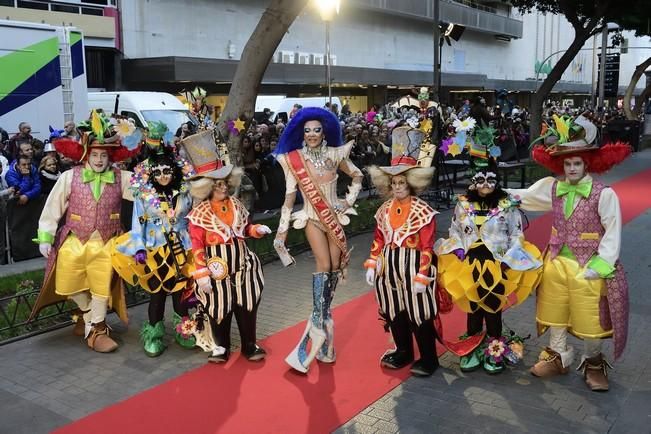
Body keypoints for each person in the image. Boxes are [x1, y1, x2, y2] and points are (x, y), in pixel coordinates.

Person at [506, 114, 631, 391]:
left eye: (577, 163)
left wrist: (602, 264)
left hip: (589, 264)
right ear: (561, 165)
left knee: (591, 315)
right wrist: (490, 192)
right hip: (557, 261)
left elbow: (612, 230)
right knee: (554, 309)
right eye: (567, 163)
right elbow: (522, 197)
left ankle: (593, 361)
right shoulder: (553, 188)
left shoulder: (604, 194)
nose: (572, 168)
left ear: (586, 164)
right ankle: (558, 354)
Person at [30, 111, 139, 353]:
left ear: (110, 156)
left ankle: (96, 330)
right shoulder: (70, 177)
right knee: (66, 282)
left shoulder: (122, 178)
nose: (100, 160)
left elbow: (146, 192)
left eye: (104, 155)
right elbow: (52, 207)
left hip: (107, 242)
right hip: (74, 240)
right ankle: (86, 314)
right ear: (87, 155)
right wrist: (46, 236)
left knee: (102, 282)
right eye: (95, 154)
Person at [435, 147, 542, 373]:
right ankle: (471, 348)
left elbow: (516, 234)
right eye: (480, 179)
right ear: (473, 181)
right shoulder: (463, 203)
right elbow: (454, 229)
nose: (485, 184)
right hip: (470, 263)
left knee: (493, 308)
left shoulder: (506, 205)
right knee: (473, 307)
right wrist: (457, 247)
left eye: (490, 179)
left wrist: (508, 259)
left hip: (496, 263)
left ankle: (495, 349)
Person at [274, 107, 363, 373]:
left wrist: (348, 201)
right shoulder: (293, 159)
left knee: (335, 268)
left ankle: (323, 330)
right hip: (312, 218)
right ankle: (321, 327)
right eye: (307, 130)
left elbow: (357, 174)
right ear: (302, 133)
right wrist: (281, 231)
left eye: (316, 130)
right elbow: (290, 198)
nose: (312, 134)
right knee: (323, 265)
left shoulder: (336, 154)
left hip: (335, 218)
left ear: (324, 132)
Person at [183, 129, 271, 363]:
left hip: (243, 264)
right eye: (217, 184)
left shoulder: (237, 205)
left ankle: (249, 345)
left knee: (247, 303)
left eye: (224, 183)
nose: (222, 187)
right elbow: (196, 244)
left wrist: (256, 230)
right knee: (218, 306)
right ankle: (221, 347)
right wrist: (201, 273)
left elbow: (244, 229)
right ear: (206, 187)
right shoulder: (198, 214)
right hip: (216, 268)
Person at [112, 124, 197, 357]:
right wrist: (139, 248)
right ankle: (155, 335)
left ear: (175, 171)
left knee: (182, 293)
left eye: (167, 171)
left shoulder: (185, 191)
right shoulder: (144, 195)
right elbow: (137, 224)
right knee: (157, 295)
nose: (162, 175)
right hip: (155, 249)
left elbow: (193, 218)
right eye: (157, 172)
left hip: (182, 248)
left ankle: (184, 330)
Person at [364, 125, 440, 377]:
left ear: (412, 183)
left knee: (419, 312)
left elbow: (427, 245)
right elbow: (378, 239)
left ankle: (429, 358)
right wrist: (373, 262)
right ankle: (403, 351)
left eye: (402, 182)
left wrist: (423, 275)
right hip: (388, 268)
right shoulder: (384, 209)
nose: (397, 187)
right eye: (394, 182)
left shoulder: (423, 210)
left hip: (413, 267)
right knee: (394, 310)